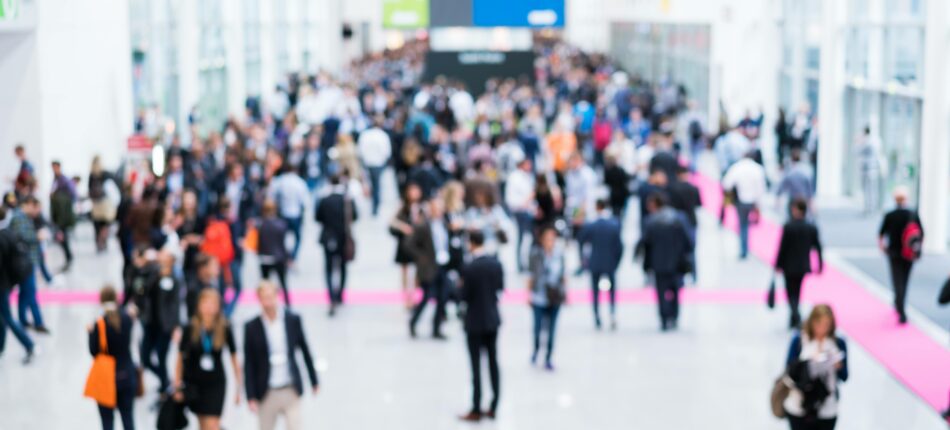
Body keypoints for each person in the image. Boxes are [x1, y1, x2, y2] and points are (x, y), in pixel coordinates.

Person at [244, 282, 320, 430]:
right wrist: (250, 395)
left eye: (270, 297)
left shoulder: (292, 320)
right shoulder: (252, 327)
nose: (268, 302)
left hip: (290, 386)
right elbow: (249, 362)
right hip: (266, 389)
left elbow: (304, 350)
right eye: (264, 298)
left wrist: (314, 380)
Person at [173, 288, 242, 430]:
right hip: (195, 383)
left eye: (213, 304)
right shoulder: (190, 327)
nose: (209, 308)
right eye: (206, 303)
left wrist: (238, 388)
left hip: (215, 383)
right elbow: (179, 358)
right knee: (203, 424)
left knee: (213, 424)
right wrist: (177, 384)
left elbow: (234, 358)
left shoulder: (224, 327)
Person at [458, 231, 504, 422]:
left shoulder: (469, 268)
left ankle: (476, 407)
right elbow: (500, 288)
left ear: (471, 243)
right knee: (493, 363)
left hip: (474, 322)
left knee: (476, 366)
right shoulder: (496, 264)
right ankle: (494, 405)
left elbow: (463, 296)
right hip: (492, 319)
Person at [783, 305, 848, 430]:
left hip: (827, 405)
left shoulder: (839, 343)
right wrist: (807, 364)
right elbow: (789, 372)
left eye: (826, 325)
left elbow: (844, 376)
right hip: (799, 404)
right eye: (819, 324)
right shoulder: (799, 340)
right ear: (811, 322)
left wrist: (838, 366)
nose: (822, 329)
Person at [638, 193, 693, 331]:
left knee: (661, 292)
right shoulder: (679, 219)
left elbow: (646, 244)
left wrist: (646, 263)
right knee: (675, 290)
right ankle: (674, 317)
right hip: (677, 262)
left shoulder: (651, 221)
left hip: (659, 263)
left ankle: (664, 318)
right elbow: (689, 241)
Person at [88, 285, 138, 430]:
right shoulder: (128, 318)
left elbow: (93, 352)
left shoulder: (99, 323)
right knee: (128, 419)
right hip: (127, 374)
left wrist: (91, 334)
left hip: (106, 378)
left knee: (107, 422)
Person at [775, 199, 824, 328]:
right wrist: (820, 264)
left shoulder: (788, 226)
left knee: (790, 291)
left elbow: (782, 247)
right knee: (797, 290)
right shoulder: (811, 227)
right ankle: (794, 316)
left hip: (788, 265)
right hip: (802, 265)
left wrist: (778, 264)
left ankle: (795, 315)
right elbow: (818, 247)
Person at [407, 198, 451, 340]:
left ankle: (436, 328)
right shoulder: (423, 226)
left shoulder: (444, 224)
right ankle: (413, 322)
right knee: (426, 297)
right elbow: (409, 244)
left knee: (443, 297)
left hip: (442, 265)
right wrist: (421, 258)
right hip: (429, 267)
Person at [315, 174, 358, 316]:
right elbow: (356, 216)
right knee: (342, 267)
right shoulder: (347, 199)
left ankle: (331, 296)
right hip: (343, 237)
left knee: (328, 267)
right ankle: (339, 294)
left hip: (328, 237)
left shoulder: (324, 199)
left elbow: (317, 217)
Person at [878, 187, 922, 324]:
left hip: (894, 252)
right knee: (905, 279)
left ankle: (899, 305)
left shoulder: (890, 215)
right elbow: (921, 233)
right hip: (908, 253)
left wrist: (883, 247)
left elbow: (881, 234)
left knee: (897, 280)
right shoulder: (913, 214)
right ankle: (900, 305)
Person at [140, 251, 182, 396]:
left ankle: (164, 385)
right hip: (150, 323)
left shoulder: (175, 280)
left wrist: (176, 325)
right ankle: (164, 379)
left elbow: (176, 304)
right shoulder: (153, 273)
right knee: (145, 357)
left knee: (161, 356)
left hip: (165, 326)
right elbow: (144, 290)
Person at [578, 200, 624, 330]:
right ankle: (612, 313)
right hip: (610, 263)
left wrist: (583, 260)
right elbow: (620, 246)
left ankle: (597, 316)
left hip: (595, 262)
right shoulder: (614, 224)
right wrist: (617, 261)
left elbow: (581, 241)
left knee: (595, 292)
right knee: (612, 291)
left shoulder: (591, 225)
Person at [0, 205, 36, 364]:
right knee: (3, 318)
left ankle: (29, 345)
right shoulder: (8, 232)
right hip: (7, 282)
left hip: (1, 284)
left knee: (7, 318)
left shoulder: (2, 237)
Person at [527, 226, 566, 370]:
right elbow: (530, 275)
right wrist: (528, 294)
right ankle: (536, 350)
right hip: (539, 296)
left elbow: (563, 274)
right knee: (537, 328)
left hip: (554, 296)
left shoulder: (559, 254)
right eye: (548, 239)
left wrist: (565, 293)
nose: (550, 242)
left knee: (552, 329)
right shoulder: (536, 254)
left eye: (553, 239)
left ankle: (549, 356)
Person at [9, 196, 50, 334]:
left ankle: (23, 320)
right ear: (29, 204)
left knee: (25, 292)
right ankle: (38, 322)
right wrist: (37, 236)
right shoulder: (18, 218)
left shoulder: (24, 217)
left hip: (27, 261)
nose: (36, 212)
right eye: (35, 208)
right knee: (31, 292)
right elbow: (20, 237)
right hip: (23, 263)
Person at [722, 151, 767, 259]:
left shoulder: (737, 167)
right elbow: (761, 190)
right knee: (748, 224)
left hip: (740, 201)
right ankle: (746, 247)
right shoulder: (758, 169)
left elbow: (726, 183)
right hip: (752, 201)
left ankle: (743, 249)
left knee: (742, 224)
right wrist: (759, 205)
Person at [390, 183, 424, 309]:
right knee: (405, 271)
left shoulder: (422, 207)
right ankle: (406, 298)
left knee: (417, 272)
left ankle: (415, 296)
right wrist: (403, 227)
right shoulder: (403, 206)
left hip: (418, 243)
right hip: (405, 242)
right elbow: (392, 221)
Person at [268, 165, 310, 263]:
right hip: (295, 214)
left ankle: (285, 255)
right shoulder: (299, 182)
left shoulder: (280, 182)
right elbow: (305, 201)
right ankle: (292, 257)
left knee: (282, 237)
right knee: (298, 238)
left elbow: (272, 196)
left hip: (283, 213)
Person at [257, 200, 291, 305]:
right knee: (283, 282)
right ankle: (287, 304)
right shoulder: (281, 224)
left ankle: (265, 303)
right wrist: (287, 257)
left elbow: (258, 243)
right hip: (279, 257)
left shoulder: (260, 225)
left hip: (265, 258)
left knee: (265, 285)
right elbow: (284, 243)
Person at [505, 159, 535, 272]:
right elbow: (512, 198)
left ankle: (530, 262)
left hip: (528, 211)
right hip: (520, 211)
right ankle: (520, 264)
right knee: (521, 238)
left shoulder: (527, 177)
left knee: (531, 238)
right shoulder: (515, 177)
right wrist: (525, 202)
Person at [358, 116, 392, 217]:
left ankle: (373, 206)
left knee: (370, 185)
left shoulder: (365, 135)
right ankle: (375, 206)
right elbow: (387, 152)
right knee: (376, 185)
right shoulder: (383, 136)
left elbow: (360, 150)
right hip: (378, 164)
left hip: (368, 163)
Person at [50, 160, 77, 271]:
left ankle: (69, 258)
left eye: (55, 167)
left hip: (63, 216)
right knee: (61, 239)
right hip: (58, 215)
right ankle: (68, 258)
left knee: (63, 238)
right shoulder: (56, 180)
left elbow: (73, 196)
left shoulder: (64, 181)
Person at [89, 156, 116, 253]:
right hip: (103, 204)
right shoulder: (104, 174)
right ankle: (102, 242)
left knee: (99, 225)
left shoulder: (94, 175)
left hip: (98, 204)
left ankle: (100, 242)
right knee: (104, 225)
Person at [855, 126, 884, 215]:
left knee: (866, 189)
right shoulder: (877, 141)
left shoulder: (866, 142)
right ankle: (872, 206)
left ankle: (869, 207)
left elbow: (857, 152)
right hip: (873, 168)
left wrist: (858, 142)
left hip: (867, 168)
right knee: (872, 188)